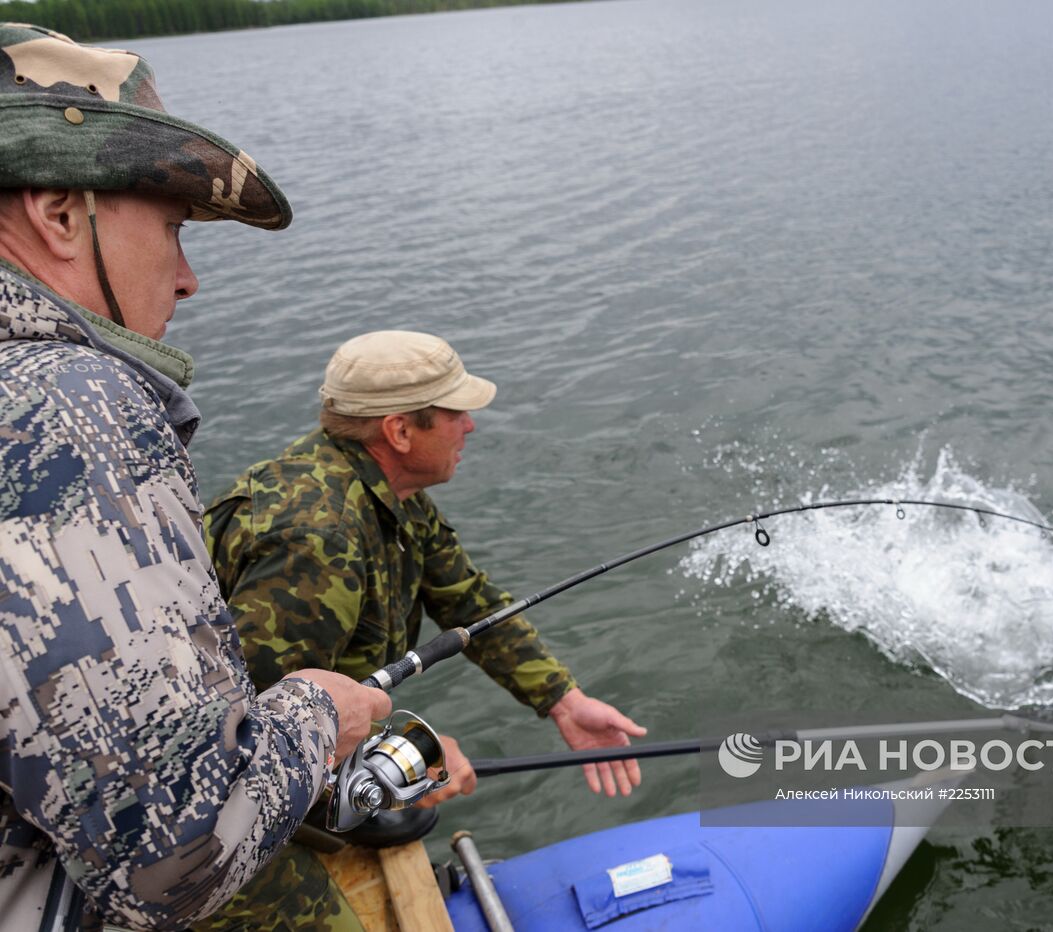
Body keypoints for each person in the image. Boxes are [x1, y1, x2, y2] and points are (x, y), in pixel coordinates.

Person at [0, 25, 390, 931]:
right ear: (60, 213)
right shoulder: (62, 405)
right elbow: (173, 856)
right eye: (172, 230)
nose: (187, 279)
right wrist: (316, 714)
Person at [200, 330, 647, 929]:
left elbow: (467, 600)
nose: (471, 428)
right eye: (455, 413)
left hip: (282, 763)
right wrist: (410, 755)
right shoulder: (317, 537)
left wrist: (562, 700)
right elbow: (248, 726)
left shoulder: (389, 493)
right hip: (209, 816)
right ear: (400, 431)